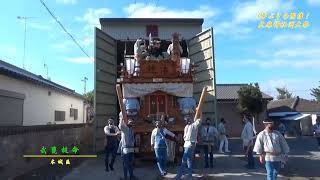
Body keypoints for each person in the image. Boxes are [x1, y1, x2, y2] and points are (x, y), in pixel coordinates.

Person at [176, 109, 203, 180]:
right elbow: (184, 136)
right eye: (186, 119)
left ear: (191, 119)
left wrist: (200, 111)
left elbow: (200, 119)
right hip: (186, 144)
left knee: (184, 160)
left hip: (191, 143)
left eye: (188, 118)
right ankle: (190, 175)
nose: (187, 120)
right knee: (189, 160)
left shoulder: (194, 125)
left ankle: (179, 176)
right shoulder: (186, 127)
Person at [118, 112, 136, 180]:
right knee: (125, 164)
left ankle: (131, 176)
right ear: (127, 123)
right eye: (130, 122)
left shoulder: (131, 129)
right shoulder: (125, 129)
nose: (131, 123)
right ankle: (125, 177)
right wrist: (121, 118)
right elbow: (120, 126)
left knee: (130, 164)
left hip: (131, 149)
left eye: (132, 122)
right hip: (125, 148)